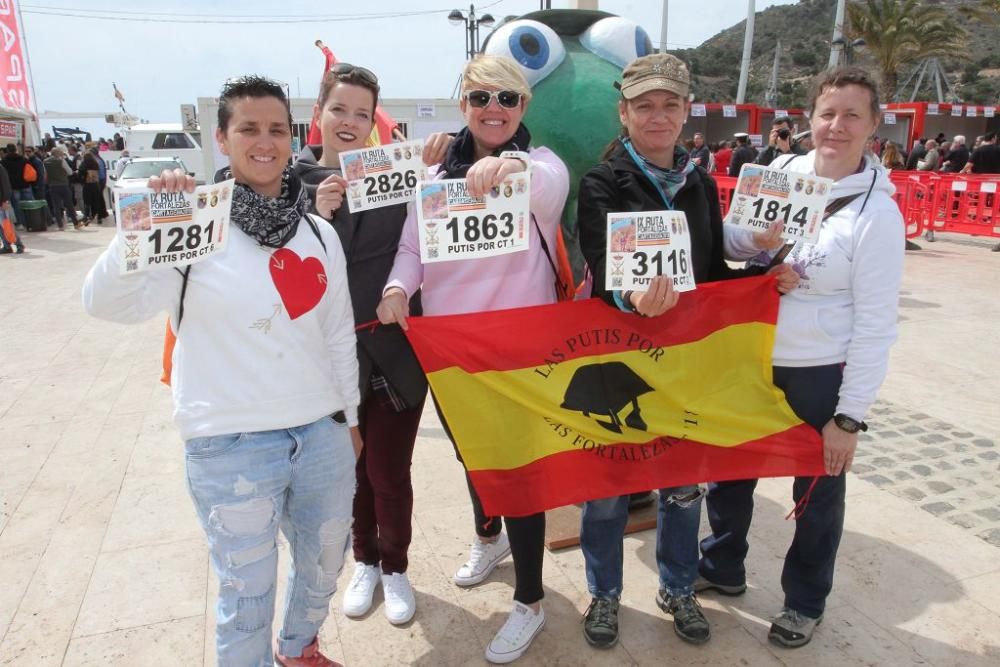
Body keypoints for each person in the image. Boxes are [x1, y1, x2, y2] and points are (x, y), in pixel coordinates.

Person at [83, 75, 359, 667]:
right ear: (222, 139)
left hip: (320, 435)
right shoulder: (190, 228)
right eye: (249, 129)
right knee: (246, 596)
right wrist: (145, 225)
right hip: (229, 444)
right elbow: (106, 305)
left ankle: (298, 648)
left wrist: (350, 420)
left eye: (278, 129)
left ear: (293, 137)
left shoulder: (319, 232)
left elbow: (337, 334)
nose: (265, 142)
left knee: (324, 565)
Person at [574, 52, 796, 651]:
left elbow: (710, 270)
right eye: (644, 105)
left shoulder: (699, 180)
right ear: (624, 113)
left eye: (669, 104)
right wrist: (631, 297)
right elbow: (601, 262)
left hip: (687, 362)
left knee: (682, 487)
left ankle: (677, 587)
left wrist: (763, 273)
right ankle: (604, 593)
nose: (657, 116)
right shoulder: (601, 182)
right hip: (620, 359)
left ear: (685, 112)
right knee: (607, 492)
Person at [697, 65, 905, 649]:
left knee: (816, 491)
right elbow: (733, 239)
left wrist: (849, 417)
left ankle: (804, 601)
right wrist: (758, 244)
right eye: (828, 113)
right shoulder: (778, 173)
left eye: (852, 116)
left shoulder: (878, 216)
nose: (836, 127)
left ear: (873, 127)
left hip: (818, 370)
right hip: (751, 354)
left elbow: (875, 325)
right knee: (730, 472)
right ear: (810, 117)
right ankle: (721, 565)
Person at [376, 54, 569, 664]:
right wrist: (397, 289)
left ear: (524, 108)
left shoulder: (540, 165)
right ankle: (489, 538)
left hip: (519, 350)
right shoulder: (432, 171)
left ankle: (530, 602)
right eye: (481, 97)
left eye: (508, 99)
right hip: (452, 348)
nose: (494, 108)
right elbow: (412, 245)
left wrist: (509, 164)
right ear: (463, 104)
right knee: (470, 453)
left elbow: (546, 187)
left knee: (520, 471)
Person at [292, 63, 450, 627]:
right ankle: (366, 561)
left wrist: (441, 152)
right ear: (319, 114)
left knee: (389, 469)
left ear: (375, 121)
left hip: (392, 351)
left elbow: (427, 235)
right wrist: (317, 216)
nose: (350, 122)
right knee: (350, 472)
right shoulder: (289, 184)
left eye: (363, 112)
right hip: (327, 361)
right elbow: (278, 271)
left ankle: (398, 567)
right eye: (339, 109)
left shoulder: (395, 173)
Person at [43, 146, 79, 229]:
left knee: (56, 206)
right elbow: (70, 172)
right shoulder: (61, 161)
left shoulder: (45, 161)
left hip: (52, 186)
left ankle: (60, 225)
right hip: (63, 185)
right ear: (58, 153)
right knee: (69, 204)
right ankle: (75, 223)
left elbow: (45, 174)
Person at [2, 145, 33, 228]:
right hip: (25, 184)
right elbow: (30, 169)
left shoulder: (4, 161)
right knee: (28, 204)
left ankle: (20, 223)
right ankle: (30, 221)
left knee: (17, 205)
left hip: (14, 186)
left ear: (7, 150)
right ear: (16, 150)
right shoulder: (23, 159)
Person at [0, 161, 24, 253]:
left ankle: (18, 244)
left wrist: (5, 200)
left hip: (2, 202)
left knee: (7, 225)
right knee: (2, 227)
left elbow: (5, 185)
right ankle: (6, 246)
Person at [78, 151, 109, 224]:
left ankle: (86, 217)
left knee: (87, 202)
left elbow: (80, 174)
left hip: (87, 185)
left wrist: (81, 181)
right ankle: (99, 217)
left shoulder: (83, 164)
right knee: (96, 200)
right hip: (95, 184)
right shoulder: (95, 164)